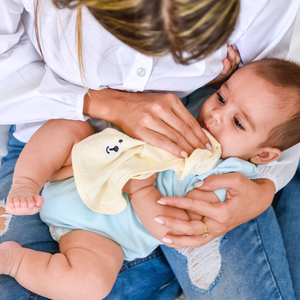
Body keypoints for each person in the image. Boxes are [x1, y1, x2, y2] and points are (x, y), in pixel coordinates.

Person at [1, 0, 300, 299]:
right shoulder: (203, 113)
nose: (215, 115)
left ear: (263, 156)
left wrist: (144, 191)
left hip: (96, 232)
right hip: (73, 156)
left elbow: (179, 228)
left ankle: (15, 260)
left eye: (237, 122)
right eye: (221, 99)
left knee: (90, 284)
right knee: (66, 128)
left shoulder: (227, 176)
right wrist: (101, 104)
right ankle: (25, 182)